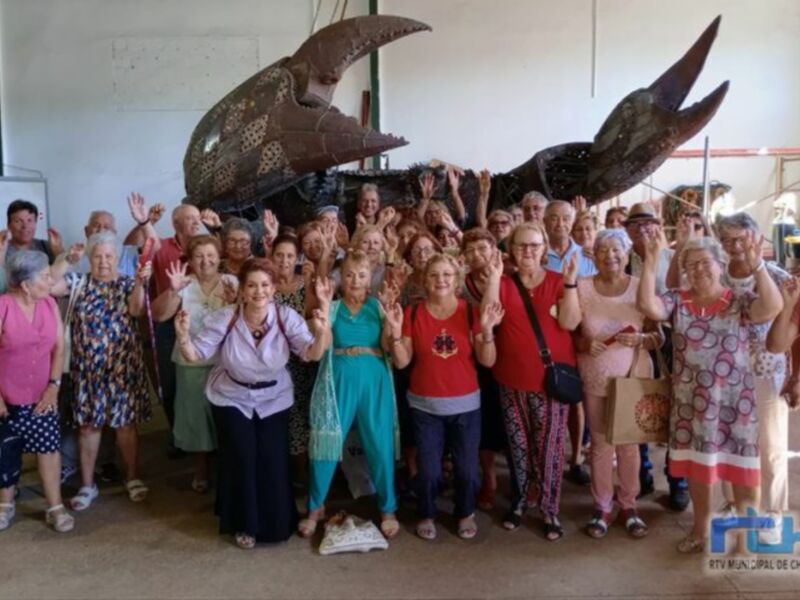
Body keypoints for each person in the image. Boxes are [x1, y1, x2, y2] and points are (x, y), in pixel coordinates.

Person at [637, 234, 782, 553]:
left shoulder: (738, 300)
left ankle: (746, 538)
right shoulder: (677, 299)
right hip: (692, 409)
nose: (699, 269)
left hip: (736, 406)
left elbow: (771, 307)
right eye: (691, 264)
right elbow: (648, 305)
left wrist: (758, 266)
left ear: (721, 265)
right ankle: (700, 531)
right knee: (697, 471)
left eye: (706, 262)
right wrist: (651, 262)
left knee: (743, 472)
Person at [175, 258, 331, 549]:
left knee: (272, 459)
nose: (258, 291)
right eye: (252, 285)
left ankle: (274, 524)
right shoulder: (226, 318)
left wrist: (321, 332)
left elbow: (311, 354)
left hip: (274, 397)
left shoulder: (287, 317)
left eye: (264, 285)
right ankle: (243, 524)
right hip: (231, 396)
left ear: (273, 288)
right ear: (243, 290)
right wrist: (183, 336)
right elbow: (194, 355)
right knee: (243, 457)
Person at [385, 253, 503, 540]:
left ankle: (465, 512)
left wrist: (487, 332)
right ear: (425, 280)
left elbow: (487, 361)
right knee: (428, 473)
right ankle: (426, 512)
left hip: (466, 407)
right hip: (425, 407)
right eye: (434, 275)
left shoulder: (471, 312)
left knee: (466, 472)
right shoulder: (414, 313)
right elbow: (402, 362)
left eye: (447, 275)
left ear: (457, 281)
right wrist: (397, 333)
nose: (441, 280)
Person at [482, 222, 581, 539]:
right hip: (511, 380)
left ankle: (550, 510)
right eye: (521, 245)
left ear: (544, 250)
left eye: (534, 245)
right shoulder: (505, 283)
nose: (528, 251)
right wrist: (495, 277)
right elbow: (487, 318)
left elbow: (570, 321)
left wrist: (570, 286)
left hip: (549, 382)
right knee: (518, 447)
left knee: (549, 449)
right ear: (511, 249)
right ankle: (521, 500)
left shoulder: (557, 281)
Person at [300, 251, 400, 540]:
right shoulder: (330, 308)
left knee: (379, 443)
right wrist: (320, 305)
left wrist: (392, 326)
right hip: (338, 378)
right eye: (349, 275)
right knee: (326, 441)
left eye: (361, 275)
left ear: (371, 279)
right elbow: (324, 346)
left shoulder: (378, 307)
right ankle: (315, 507)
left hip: (374, 379)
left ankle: (388, 507)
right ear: (340, 279)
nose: (355, 280)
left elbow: (386, 346)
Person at [51, 232, 153, 510]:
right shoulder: (78, 282)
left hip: (123, 369)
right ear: (89, 258)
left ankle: (132, 477)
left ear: (117, 257)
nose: (103, 262)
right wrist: (66, 260)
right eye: (97, 256)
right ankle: (87, 485)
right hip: (87, 372)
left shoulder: (127, 283)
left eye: (109, 256)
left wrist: (141, 282)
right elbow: (49, 285)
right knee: (88, 427)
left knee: (125, 426)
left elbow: (136, 310)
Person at [574, 229, 662, 539]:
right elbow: (569, 331)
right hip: (595, 377)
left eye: (617, 250)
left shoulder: (641, 288)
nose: (610, 256)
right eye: (603, 250)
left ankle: (629, 505)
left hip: (632, 378)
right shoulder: (582, 287)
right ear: (593, 256)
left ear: (627, 255)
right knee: (600, 444)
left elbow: (659, 335)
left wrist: (641, 337)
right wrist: (584, 344)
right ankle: (601, 506)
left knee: (629, 446)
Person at [715, 213, 792, 545]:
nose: (735, 247)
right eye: (727, 240)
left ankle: (773, 514)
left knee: (770, 447)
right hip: (724, 374)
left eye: (741, 239)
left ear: (756, 239)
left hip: (767, 373)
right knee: (727, 444)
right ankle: (732, 504)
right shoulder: (716, 277)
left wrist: (797, 377)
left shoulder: (778, 277)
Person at [151, 235, 237, 492]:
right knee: (197, 419)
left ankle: (228, 469)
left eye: (210, 255)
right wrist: (173, 290)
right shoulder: (184, 284)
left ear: (219, 257)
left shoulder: (231, 282)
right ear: (190, 259)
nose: (205, 261)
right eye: (199, 256)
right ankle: (201, 470)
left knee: (227, 418)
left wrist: (235, 301)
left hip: (226, 363)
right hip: (191, 363)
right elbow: (159, 314)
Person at [0, 250, 74, 532]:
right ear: (26, 285)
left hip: (42, 395)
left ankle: (55, 506)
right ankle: (5, 503)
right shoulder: (3, 307)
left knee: (48, 448)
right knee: (5, 450)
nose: (50, 280)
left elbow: (58, 349)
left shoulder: (49, 305)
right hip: (7, 397)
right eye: (45, 277)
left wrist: (53, 387)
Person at [625, 201, 688, 509]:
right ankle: (642, 475)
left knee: (675, 412)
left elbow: (683, 302)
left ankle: (678, 480)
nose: (642, 228)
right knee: (636, 408)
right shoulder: (619, 259)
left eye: (648, 222)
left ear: (658, 226)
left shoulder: (672, 260)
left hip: (669, 343)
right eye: (635, 223)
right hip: (631, 346)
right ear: (626, 229)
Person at [543, 200, 596, 486]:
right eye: (553, 218)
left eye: (565, 218)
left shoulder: (588, 255)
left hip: (580, 334)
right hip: (546, 333)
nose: (560, 224)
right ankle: (548, 456)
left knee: (575, 399)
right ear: (545, 220)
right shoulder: (539, 254)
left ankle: (575, 458)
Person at [461, 229, 513, 511]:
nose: (477, 255)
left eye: (483, 248)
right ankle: (490, 480)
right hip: (477, 361)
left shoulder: (509, 280)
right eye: (471, 251)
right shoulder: (462, 285)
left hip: (512, 358)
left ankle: (521, 479)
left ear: (495, 250)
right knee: (485, 425)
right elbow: (484, 319)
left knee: (512, 423)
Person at [270, 233, 319, 480]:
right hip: (278, 364)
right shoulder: (266, 287)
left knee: (307, 414)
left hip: (306, 361)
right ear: (271, 256)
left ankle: (311, 473)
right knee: (288, 419)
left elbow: (307, 318)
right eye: (279, 255)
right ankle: (294, 474)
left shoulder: (305, 282)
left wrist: (309, 282)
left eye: (290, 256)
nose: (284, 261)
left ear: (297, 258)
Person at [4, 199, 61, 265]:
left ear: (35, 223)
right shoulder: (3, 249)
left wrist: (57, 250)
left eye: (29, 220)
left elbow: (68, 272)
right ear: (8, 225)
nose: (25, 226)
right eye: (18, 221)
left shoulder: (46, 246)